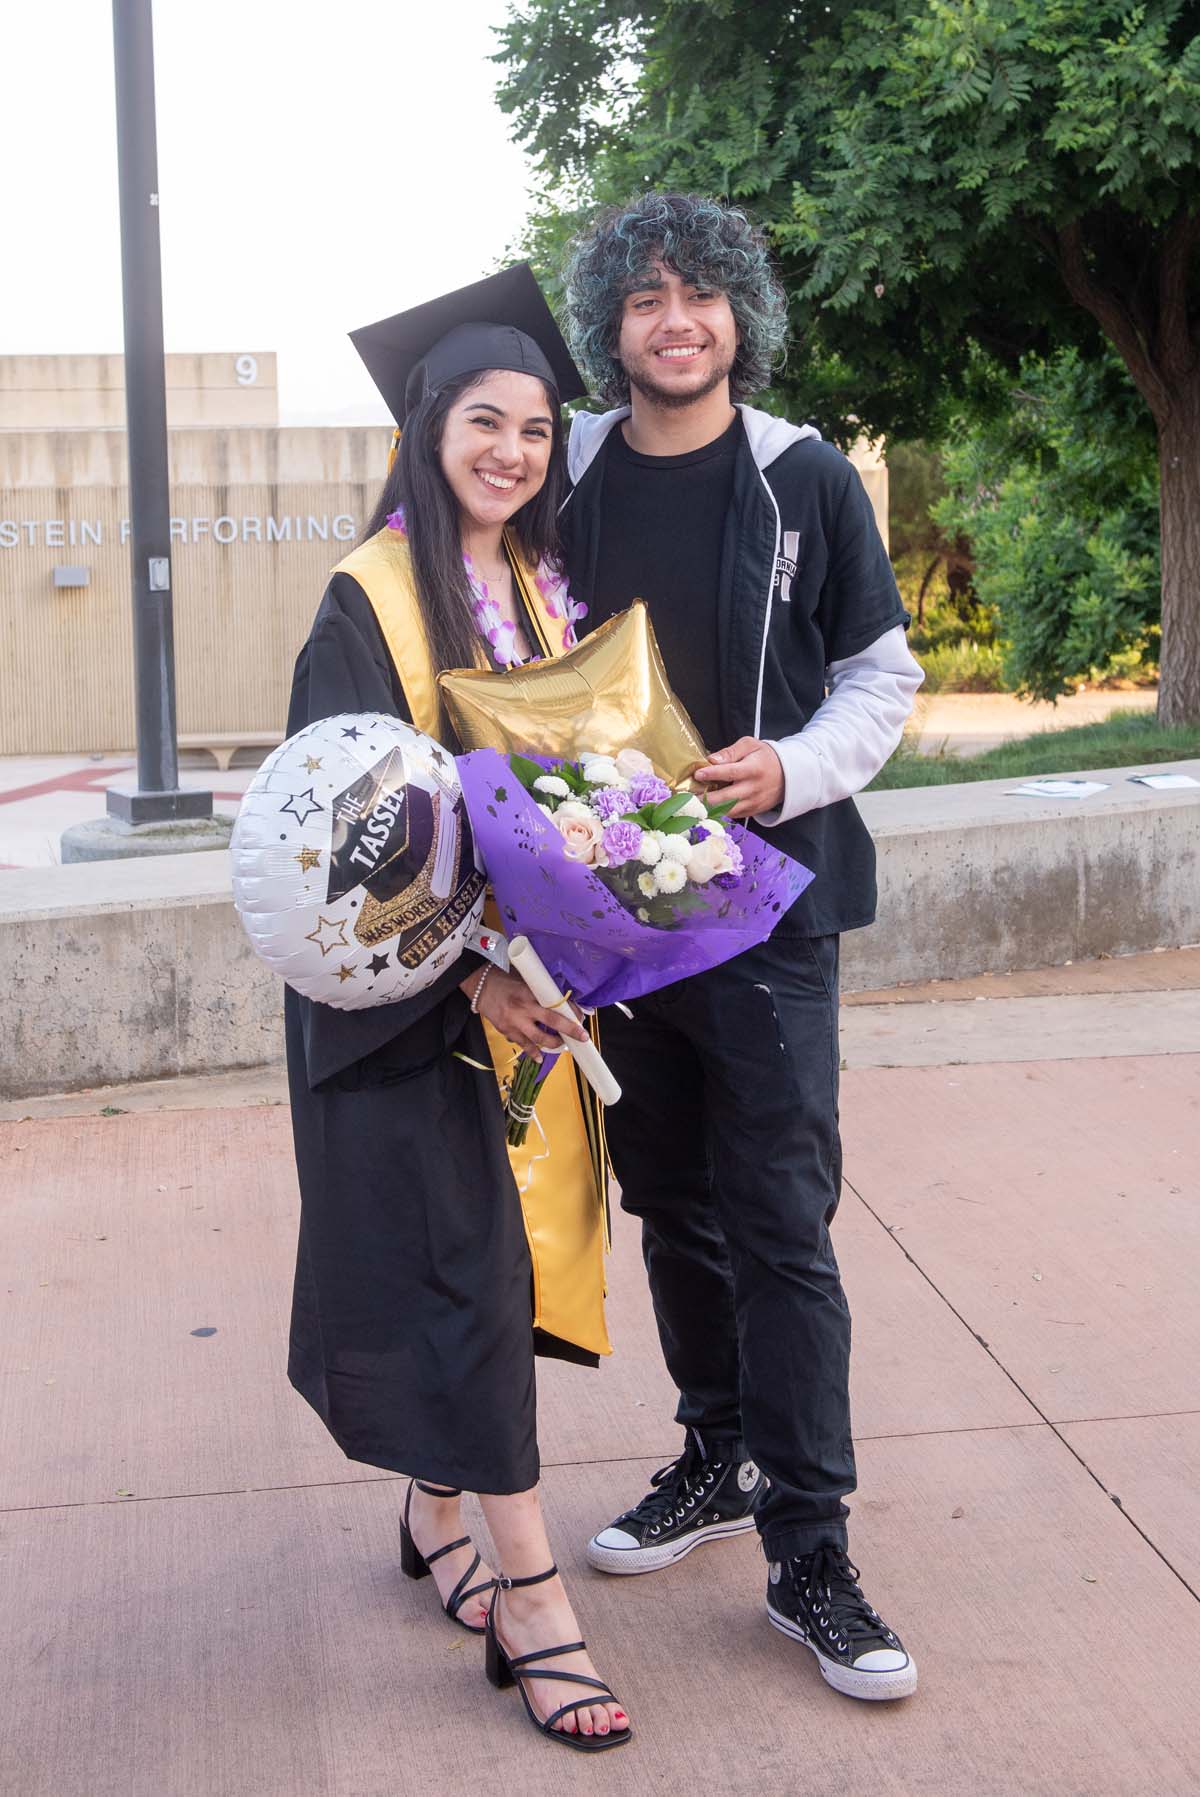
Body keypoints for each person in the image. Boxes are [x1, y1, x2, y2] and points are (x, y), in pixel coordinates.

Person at [558, 193, 925, 1702]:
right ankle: (713, 1449)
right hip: (617, 907)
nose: (675, 320)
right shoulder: (560, 467)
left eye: (700, 295)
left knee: (780, 1219)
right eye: (645, 297)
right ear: (612, 325)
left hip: (771, 907)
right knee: (670, 1202)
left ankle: (813, 1545)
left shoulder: (802, 475)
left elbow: (882, 674)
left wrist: (793, 767)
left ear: (739, 317)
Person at [285, 266, 631, 1751]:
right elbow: (339, 838)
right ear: (429, 426)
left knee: (509, 1277)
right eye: (485, 420)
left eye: (538, 428)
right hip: (408, 1006)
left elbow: (586, 776)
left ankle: (435, 1509)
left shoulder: (542, 585)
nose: (512, 450)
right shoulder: (366, 596)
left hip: (531, 996)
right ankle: (535, 1597)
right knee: (472, 1278)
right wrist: (475, 967)